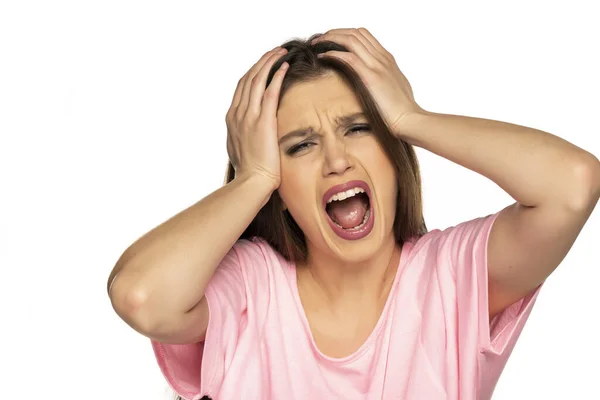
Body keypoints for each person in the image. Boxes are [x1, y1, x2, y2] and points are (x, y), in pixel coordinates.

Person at [107, 28, 600, 400]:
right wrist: (252, 177)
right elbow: (142, 295)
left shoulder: (451, 277)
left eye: (360, 128)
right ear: (278, 189)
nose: (337, 160)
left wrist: (413, 118)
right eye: (301, 146)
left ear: (393, 151)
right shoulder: (251, 286)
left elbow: (573, 185)